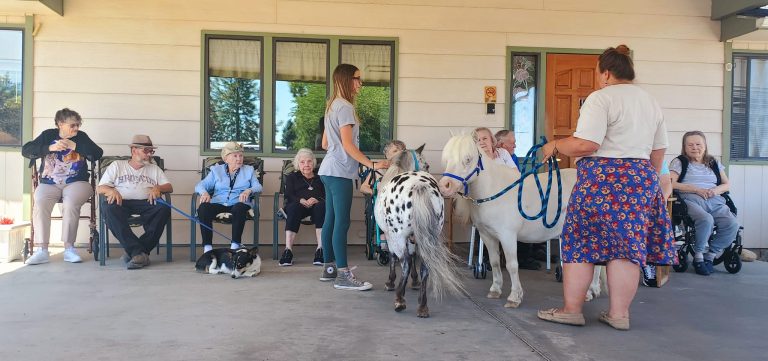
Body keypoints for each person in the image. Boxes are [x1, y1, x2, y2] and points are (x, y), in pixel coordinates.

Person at [537, 45, 675, 331]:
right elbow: (658, 152)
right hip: (640, 178)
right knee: (626, 247)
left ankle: (571, 310)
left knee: (581, 241)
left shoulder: (600, 99)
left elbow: (587, 144)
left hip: (602, 179)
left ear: (607, 73)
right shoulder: (650, 101)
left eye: (598, 73)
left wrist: (555, 145)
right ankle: (619, 314)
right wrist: (648, 177)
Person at [319, 63, 389, 291]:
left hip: (328, 170)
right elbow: (347, 144)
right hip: (339, 172)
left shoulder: (332, 106)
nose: (360, 83)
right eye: (357, 78)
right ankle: (343, 275)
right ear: (346, 80)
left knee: (330, 220)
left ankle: (329, 268)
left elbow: (325, 143)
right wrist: (372, 163)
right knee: (342, 222)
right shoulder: (346, 107)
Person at [21, 108, 103, 265]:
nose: (76, 128)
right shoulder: (47, 135)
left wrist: (76, 146)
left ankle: (69, 248)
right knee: (40, 201)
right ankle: (42, 250)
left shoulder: (81, 137)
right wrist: (48, 148)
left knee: (70, 203)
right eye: (73, 125)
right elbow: (26, 150)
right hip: (49, 182)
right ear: (60, 124)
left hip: (77, 182)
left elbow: (97, 153)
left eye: (78, 125)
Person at [97, 135, 173, 270]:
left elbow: (169, 187)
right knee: (108, 209)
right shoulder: (117, 166)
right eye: (146, 151)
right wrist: (111, 191)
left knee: (163, 209)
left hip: (146, 202)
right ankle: (138, 253)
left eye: (151, 151)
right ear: (133, 150)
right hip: (121, 201)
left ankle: (134, 252)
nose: (149, 154)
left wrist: (158, 188)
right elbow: (100, 188)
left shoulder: (154, 168)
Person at [669, 130, 739, 276]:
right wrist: (695, 189)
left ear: (705, 145)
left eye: (698, 144)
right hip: (690, 199)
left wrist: (715, 190)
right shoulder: (680, 162)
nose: (695, 147)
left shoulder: (713, 162)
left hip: (714, 199)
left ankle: (711, 255)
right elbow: (671, 183)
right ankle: (699, 255)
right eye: (690, 145)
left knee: (732, 224)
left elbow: (726, 184)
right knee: (706, 219)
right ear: (685, 147)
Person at [195, 142, 263, 254]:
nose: (239, 159)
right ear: (226, 158)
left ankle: (234, 246)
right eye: (235, 156)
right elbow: (200, 185)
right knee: (204, 208)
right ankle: (207, 248)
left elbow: (258, 186)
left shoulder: (249, 170)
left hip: (238, 203)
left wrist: (248, 190)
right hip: (218, 202)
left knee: (239, 208)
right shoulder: (216, 170)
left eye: (240, 155)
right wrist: (204, 193)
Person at [278, 148, 325, 266]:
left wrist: (317, 199)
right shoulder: (292, 177)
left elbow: (326, 194)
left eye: (309, 161)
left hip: (316, 207)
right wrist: (300, 200)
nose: (306, 165)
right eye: (302, 162)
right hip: (298, 206)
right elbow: (288, 194)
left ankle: (320, 249)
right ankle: (288, 250)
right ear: (298, 164)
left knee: (321, 207)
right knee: (293, 207)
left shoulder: (321, 177)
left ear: (313, 163)